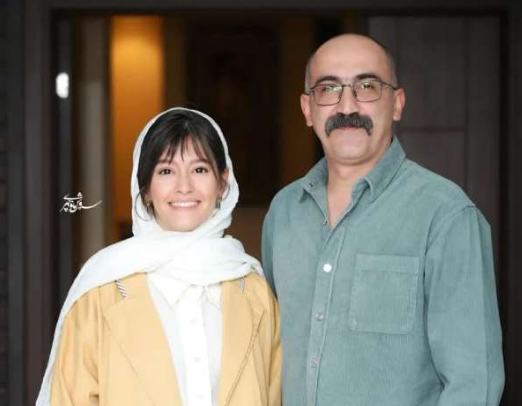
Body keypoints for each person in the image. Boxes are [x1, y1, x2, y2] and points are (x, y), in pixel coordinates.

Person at [262, 34, 504, 406]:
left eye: (367, 86)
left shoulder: (446, 216)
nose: (347, 105)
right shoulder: (284, 212)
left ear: (397, 104)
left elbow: (473, 385)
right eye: (328, 89)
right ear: (308, 109)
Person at [37, 107, 281, 406]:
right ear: (145, 189)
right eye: (166, 171)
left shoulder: (255, 291)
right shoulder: (99, 292)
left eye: (199, 169)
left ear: (222, 182)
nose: (184, 187)